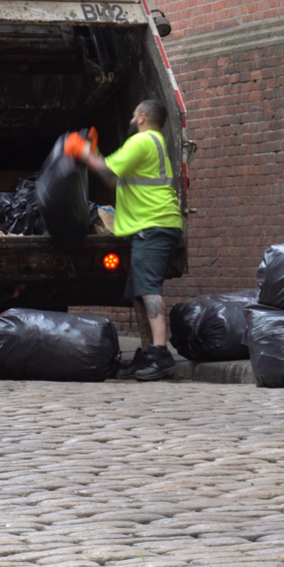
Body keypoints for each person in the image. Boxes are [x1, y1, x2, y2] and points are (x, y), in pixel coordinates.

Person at [65, 99, 183, 381]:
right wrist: (93, 152)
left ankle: (160, 354)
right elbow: (115, 179)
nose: (131, 119)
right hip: (155, 224)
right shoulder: (153, 144)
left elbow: (108, 172)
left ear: (142, 117)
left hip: (153, 225)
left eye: (133, 115)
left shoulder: (142, 142)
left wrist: (83, 152)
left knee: (150, 289)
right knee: (140, 289)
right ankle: (150, 350)